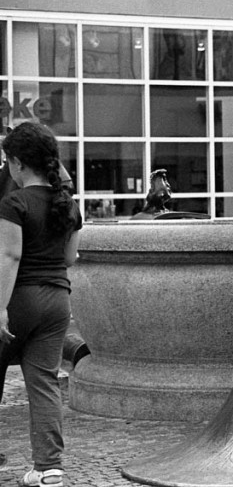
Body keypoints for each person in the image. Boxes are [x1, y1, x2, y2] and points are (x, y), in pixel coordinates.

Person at [0, 122, 83, 487]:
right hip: (57, 302)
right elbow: (69, 257)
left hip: (19, 298)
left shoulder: (14, 203)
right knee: (45, 383)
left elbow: (9, 256)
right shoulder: (68, 205)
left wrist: (0, 308)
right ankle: (49, 469)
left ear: (18, 163)